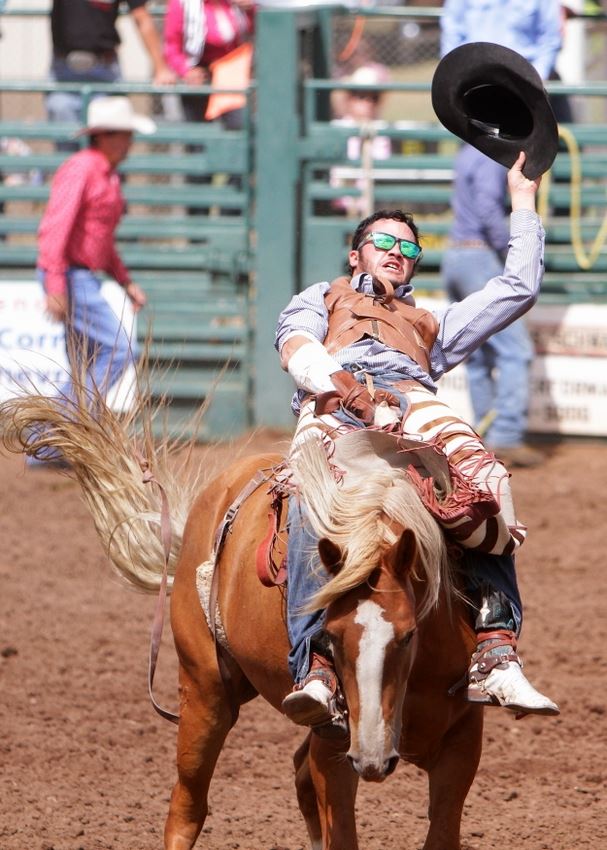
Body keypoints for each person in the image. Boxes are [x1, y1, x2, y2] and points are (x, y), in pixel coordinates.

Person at [274, 152, 559, 730]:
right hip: (334, 401)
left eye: (409, 249)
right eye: (385, 242)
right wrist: (345, 388)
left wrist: (522, 200)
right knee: (308, 496)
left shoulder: (432, 323)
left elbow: (516, 288)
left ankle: (496, 651)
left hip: (411, 400)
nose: (397, 254)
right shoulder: (321, 298)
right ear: (356, 253)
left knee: (487, 485)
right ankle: (315, 668)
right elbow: (297, 348)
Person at [32, 96, 153, 466]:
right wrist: (56, 285)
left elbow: (100, 239)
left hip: (78, 274)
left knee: (86, 363)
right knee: (118, 350)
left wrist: (124, 280)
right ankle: (60, 435)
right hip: (70, 274)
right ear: (107, 137)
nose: (131, 142)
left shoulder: (105, 173)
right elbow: (56, 227)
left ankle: (49, 446)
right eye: (126, 135)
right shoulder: (83, 169)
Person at [442, 144, 542, 467]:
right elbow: (487, 206)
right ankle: (507, 435)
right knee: (516, 350)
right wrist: (512, 246)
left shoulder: (467, 151)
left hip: (456, 254)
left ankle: (483, 434)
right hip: (478, 256)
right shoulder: (489, 156)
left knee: (477, 353)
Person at [47, 0, 175, 145]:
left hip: (105, 69)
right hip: (64, 70)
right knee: (67, 143)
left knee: (111, 146)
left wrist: (161, 68)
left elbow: (141, 17)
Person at [440, 0, 572, 123]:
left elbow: (551, 38)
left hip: (525, 85)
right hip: (476, 84)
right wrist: (457, 76)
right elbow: (452, 31)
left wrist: (534, 81)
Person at [163, 0, 255, 129]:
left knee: (237, 125)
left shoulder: (235, 4)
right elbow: (172, 46)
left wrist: (251, 10)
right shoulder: (181, 4)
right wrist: (185, 70)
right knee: (198, 134)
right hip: (198, 73)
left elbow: (256, 30)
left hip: (231, 73)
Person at [330, 63, 393, 218]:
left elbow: (382, 164)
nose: (368, 103)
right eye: (361, 96)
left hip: (371, 204)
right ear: (349, 99)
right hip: (339, 204)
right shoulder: (338, 129)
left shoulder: (380, 130)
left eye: (374, 98)